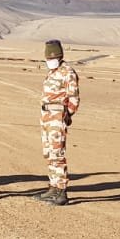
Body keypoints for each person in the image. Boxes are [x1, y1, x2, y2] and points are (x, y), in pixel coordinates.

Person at [37, 40, 80, 205]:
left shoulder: (67, 72)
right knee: (49, 153)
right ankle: (53, 188)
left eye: (52, 57)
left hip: (57, 115)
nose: (49, 59)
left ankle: (61, 191)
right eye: (48, 57)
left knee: (57, 153)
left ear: (60, 56)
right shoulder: (52, 72)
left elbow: (74, 98)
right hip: (46, 115)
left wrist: (66, 115)